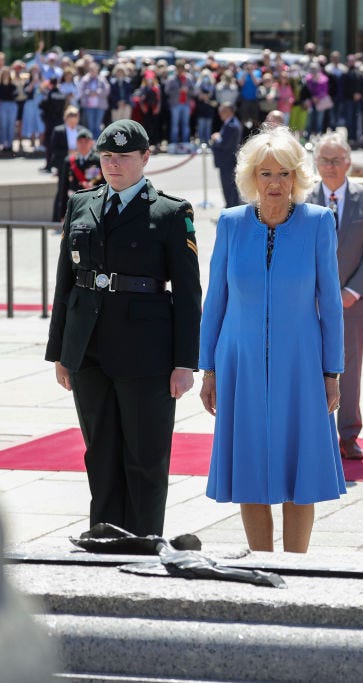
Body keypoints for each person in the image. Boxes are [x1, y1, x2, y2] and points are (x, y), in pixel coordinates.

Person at [45, 119, 202, 536]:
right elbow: (65, 281)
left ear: (146, 158)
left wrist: (185, 361)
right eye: (107, 156)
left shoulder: (170, 212)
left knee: (145, 456)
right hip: (89, 348)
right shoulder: (82, 204)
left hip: (145, 351)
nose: (113, 164)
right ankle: (105, 535)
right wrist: (61, 350)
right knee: (100, 452)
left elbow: (188, 293)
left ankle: (144, 541)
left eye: (124, 156)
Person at [199, 125, 345, 553]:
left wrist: (331, 372)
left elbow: (331, 304)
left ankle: (297, 567)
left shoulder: (319, 223)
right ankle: (261, 564)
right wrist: (207, 368)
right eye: (265, 174)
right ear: (251, 178)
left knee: (300, 475)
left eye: (283, 174)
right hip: (239, 363)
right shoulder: (230, 224)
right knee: (250, 469)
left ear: (297, 177)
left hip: (301, 365)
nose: (275, 183)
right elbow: (215, 301)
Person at [307, 133, 363, 461]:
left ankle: (348, 436)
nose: (330, 166)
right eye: (324, 160)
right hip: (309, 303)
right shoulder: (303, 199)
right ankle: (314, 435)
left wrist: (351, 291)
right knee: (310, 368)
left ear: (348, 161)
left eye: (336, 160)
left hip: (353, 302)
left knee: (349, 369)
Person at [52, 129, 102, 222]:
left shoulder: (98, 160)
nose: (83, 145)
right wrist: (63, 213)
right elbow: (63, 187)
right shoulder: (69, 161)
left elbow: (104, 183)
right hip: (75, 203)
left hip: (93, 202)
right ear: (76, 143)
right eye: (80, 142)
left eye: (86, 142)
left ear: (91, 143)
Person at [210, 104, 242, 208]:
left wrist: (216, 138)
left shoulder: (232, 125)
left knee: (228, 187)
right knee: (230, 187)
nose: (220, 114)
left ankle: (231, 207)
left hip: (227, 161)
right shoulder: (229, 123)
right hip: (227, 161)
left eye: (222, 111)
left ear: (229, 111)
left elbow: (224, 144)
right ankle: (232, 206)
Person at [45, 106, 87, 174]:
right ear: (65, 119)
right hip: (63, 163)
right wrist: (68, 152)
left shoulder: (83, 130)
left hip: (79, 162)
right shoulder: (58, 131)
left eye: (74, 120)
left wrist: (79, 152)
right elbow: (54, 148)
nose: (72, 123)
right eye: (70, 121)